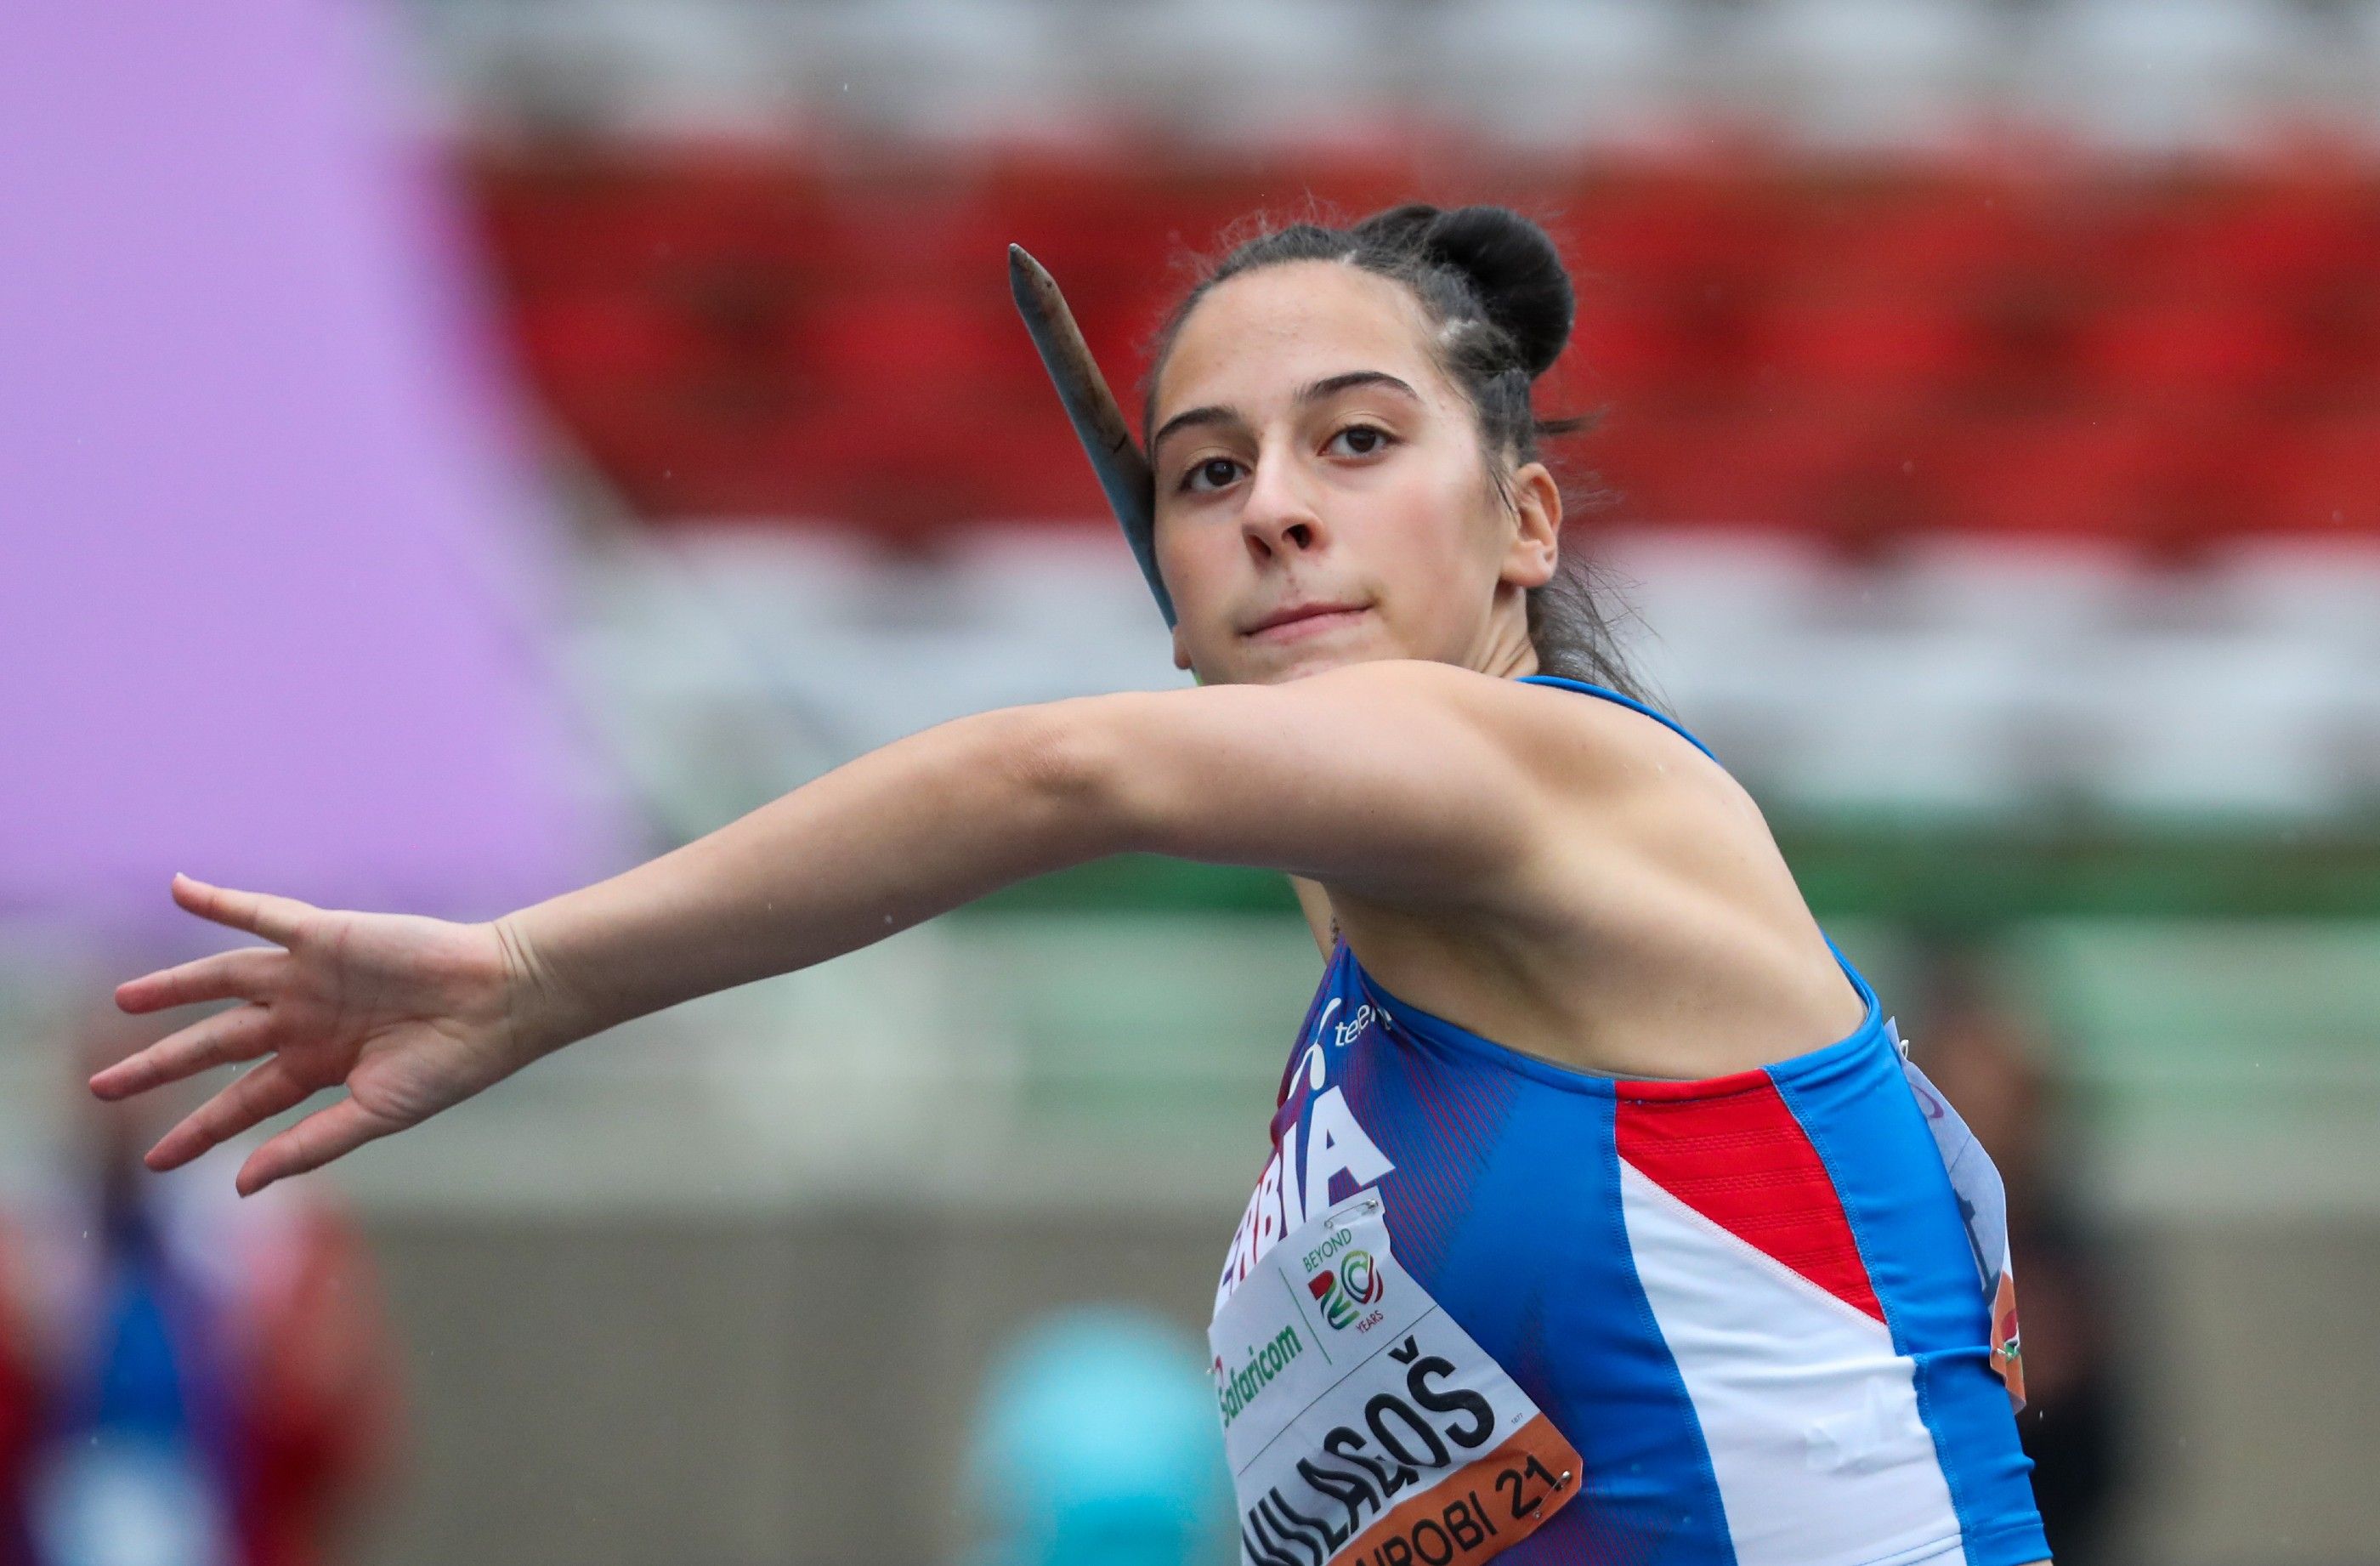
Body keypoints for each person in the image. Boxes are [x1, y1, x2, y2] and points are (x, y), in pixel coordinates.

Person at [93, 203, 2048, 1564]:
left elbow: (1062, 765)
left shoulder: (1576, 782)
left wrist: (536, 971)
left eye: (1358, 443)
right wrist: (1245, 657)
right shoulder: (1379, 972)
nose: (1276, 501)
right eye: (1205, 477)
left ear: (1525, 522)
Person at [8, 1003, 398, 1566]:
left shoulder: (274, 1227)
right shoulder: (24, 1232)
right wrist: (25, 1352)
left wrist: (265, 1359)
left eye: (146, 1073)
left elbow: (346, 1438)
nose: (124, 1108)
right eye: (104, 1074)